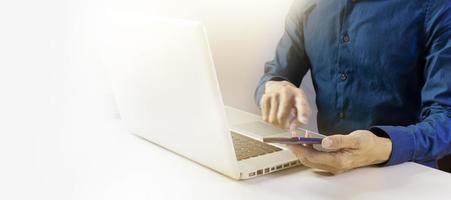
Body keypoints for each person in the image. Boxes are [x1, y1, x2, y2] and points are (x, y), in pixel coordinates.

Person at [255, 0, 451, 174]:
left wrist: (381, 147)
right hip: (328, 176)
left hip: (410, 177)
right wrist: (274, 90)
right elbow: (276, 76)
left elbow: (446, 118)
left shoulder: (438, 6)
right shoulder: (306, 4)